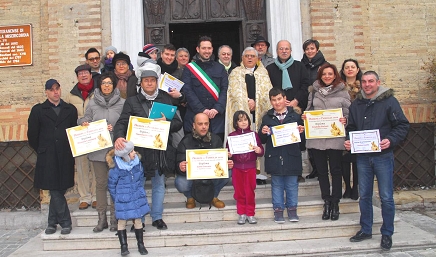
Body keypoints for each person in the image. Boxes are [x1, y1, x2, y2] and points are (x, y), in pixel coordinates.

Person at [346, 71, 409, 251]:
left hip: (383, 156)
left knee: (386, 197)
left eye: (371, 81)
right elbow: (351, 127)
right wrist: (350, 140)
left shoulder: (390, 102)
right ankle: (366, 229)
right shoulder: (356, 104)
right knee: (364, 195)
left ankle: (387, 233)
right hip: (363, 158)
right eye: (364, 82)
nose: (367, 85)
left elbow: (402, 125)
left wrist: (391, 139)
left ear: (378, 83)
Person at [113, 69, 183, 230]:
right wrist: (118, 136)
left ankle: (157, 217)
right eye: (146, 80)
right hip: (139, 152)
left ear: (157, 82)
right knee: (138, 185)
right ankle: (139, 220)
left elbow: (178, 123)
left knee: (159, 184)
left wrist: (167, 122)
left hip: (159, 151)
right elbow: (122, 122)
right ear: (141, 83)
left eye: (152, 80)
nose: (150, 83)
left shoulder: (165, 99)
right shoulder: (132, 101)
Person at [28, 79, 78, 235]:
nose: (55, 92)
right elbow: (32, 136)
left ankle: (51, 223)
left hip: (65, 155)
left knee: (59, 188)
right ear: (46, 92)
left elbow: (74, 131)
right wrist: (44, 149)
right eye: (52, 90)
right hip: (48, 156)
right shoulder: (38, 110)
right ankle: (65, 222)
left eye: (57, 89)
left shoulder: (70, 109)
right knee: (54, 189)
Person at [78, 72, 125, 232]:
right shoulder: (92, 103)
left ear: (114, 85)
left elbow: (126, 123)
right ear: (99, 85)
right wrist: (84, 122)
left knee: (115, 185)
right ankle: (101, 219)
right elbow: (83, 119)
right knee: (101, 184)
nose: (106, 85)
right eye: (103, 83)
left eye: (109, 83)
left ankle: (114, 219)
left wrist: (116, 128)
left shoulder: (122, 103)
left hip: (115, 151)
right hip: (98, 150)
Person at [302, 63, 350, 221]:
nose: (327, 76)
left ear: (335, 75)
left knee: (336, 170)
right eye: (324, 74)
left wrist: (346, 120)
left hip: (335, 137)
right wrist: (305, 117)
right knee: (322, 172)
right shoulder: (314, 91)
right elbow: (309, 109)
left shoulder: (343, 92)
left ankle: (335, 202)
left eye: (330, 74)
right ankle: (327, 201)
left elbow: (349, 114)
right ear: (320, 76)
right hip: (317, 138)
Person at [259, 88, 305, 223]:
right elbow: (261, 140)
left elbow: (302, 143)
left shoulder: (295, 116)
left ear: (285, 99)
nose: (277, 102)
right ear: (270, 101)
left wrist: (302, 132)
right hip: (274, 157)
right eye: (274, 100)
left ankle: (292, 210)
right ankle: (278, 210)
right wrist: (263, 131)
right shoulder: (267, 117)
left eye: (279, 99)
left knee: (292, 185)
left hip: (292, 156)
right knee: (277, 185)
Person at [266, 39, 310, 182]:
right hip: (278, 109)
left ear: (291, 51)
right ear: (276, 51)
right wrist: (279, 102)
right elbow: (268, 88)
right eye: (281, 49)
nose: (284, 51)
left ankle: (297, 172)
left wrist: (295, 101)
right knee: (279, 141)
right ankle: (278, 170)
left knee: (296, 140)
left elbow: (305, 85)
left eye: (287, 49)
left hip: (296, 107)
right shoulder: (270, 68)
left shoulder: (299, 66)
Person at [175, 113, 234, 209]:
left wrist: (228, 161)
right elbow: (177, 164)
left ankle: (214, 196)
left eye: (206, 124)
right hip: (193, 178)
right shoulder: (185, 141)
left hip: (210, 176)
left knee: (228, 172)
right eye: (200, 124)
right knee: (180, 182)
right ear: (194, 125)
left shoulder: (216, 139)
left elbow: (221, 162)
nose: (203, 127)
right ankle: (190, 197)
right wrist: (180, 167)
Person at [182, 36, 229, 141]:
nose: (206, 51)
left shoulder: (220, 68)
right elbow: (188, 91)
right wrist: (202, 110)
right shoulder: (189, 68)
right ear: (198, 49)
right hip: (195, 118)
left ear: (212, 49)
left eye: (209, 48)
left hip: (216, 119)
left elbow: (225, 90)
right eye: (203, 48)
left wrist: (216, 109)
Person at [108, 141, 150, 256]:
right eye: (131, 151)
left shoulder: (137, 164)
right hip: (123, 198)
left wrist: (139, 190)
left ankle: (140, 244)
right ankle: (124, 246)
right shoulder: (116, 169)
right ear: (125, 155)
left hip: (136, 196)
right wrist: (117, 197)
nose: (134, 153)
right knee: (121, 222)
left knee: (138, 220)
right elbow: (111, 185)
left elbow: (141, 177)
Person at [66, 64, 97, 211]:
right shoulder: (71, 95)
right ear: (77, 77)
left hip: (95, 134)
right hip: (80, 136)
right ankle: (84, 197)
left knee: (96, 166)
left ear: (91, 75)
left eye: (86, 73)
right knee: (82, 167)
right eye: (80, 74)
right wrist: (79, 121)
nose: (83, 75)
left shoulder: (97, 91)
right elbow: (68, 115)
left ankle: (96, 196)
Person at [226, 110, 264, 224]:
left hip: (250, 167)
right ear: (235, 123)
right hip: (237, 168)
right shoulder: (232, 136)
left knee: (250, 191)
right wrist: (228, 154)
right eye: (240, 120)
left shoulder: (253, 135)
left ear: (249, 121)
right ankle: (242, 213)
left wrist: (259, 150)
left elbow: (261, 151)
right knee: (239, 192)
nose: (243, 122)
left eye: (245, 120)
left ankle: (251, 213)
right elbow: (227, 152)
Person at [225, 46, 272, 136]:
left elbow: (267, 93)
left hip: (259, 113)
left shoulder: (263, 73)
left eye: (252, 56)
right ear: (242, 58)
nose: (249, 58)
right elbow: (233, 93)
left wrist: (256, 102)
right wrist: (247, 101)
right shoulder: (235, 72)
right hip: (242, 114)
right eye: (247, 56)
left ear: (257, 58)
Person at [301, 39, 327, 179]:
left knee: (320, 137)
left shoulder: (324, 65)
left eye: (312, 48)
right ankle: (314, 167)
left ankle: (322, 168)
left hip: (321, 105)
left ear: (317, 49)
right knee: (309, 138)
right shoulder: (302, 65)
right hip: (306, 104)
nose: (310, 51)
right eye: (307, 49)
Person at [340, 59, 363, 200]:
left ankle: (355, 187)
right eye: (346, 67)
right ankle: (347, 187)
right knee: (344, 158)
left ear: (357, 70)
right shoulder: (338, 87)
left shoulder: (364, 87)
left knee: (356, 159)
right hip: (342, 126)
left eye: (352, 67)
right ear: (342, 71)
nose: (350, 69)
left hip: (360, 126)